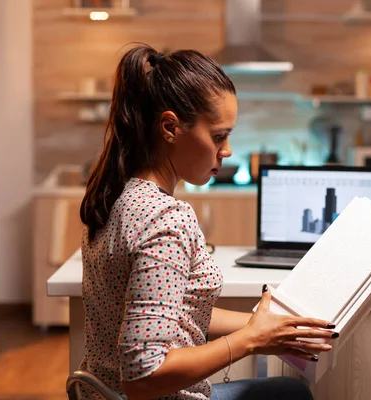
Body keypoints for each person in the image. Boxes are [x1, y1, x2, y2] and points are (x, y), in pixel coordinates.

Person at [79, 43, 338, 400]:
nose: (228, 150)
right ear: (170, 127)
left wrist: (267, 330)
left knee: (287, 391)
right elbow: (143, 378)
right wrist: (249, 341)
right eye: (219, 135)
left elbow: (169, 310)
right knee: (293, 394)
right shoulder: (165, 219)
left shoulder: (113, 196)